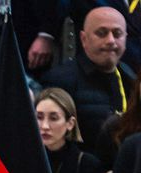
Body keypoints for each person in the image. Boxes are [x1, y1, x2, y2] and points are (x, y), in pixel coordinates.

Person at [39, 4, 133, 162]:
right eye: (101, 33)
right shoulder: (60, 80)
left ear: (126, 38)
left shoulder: (131, 77)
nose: (111, 41)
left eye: (117, 34)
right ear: (83, 39)